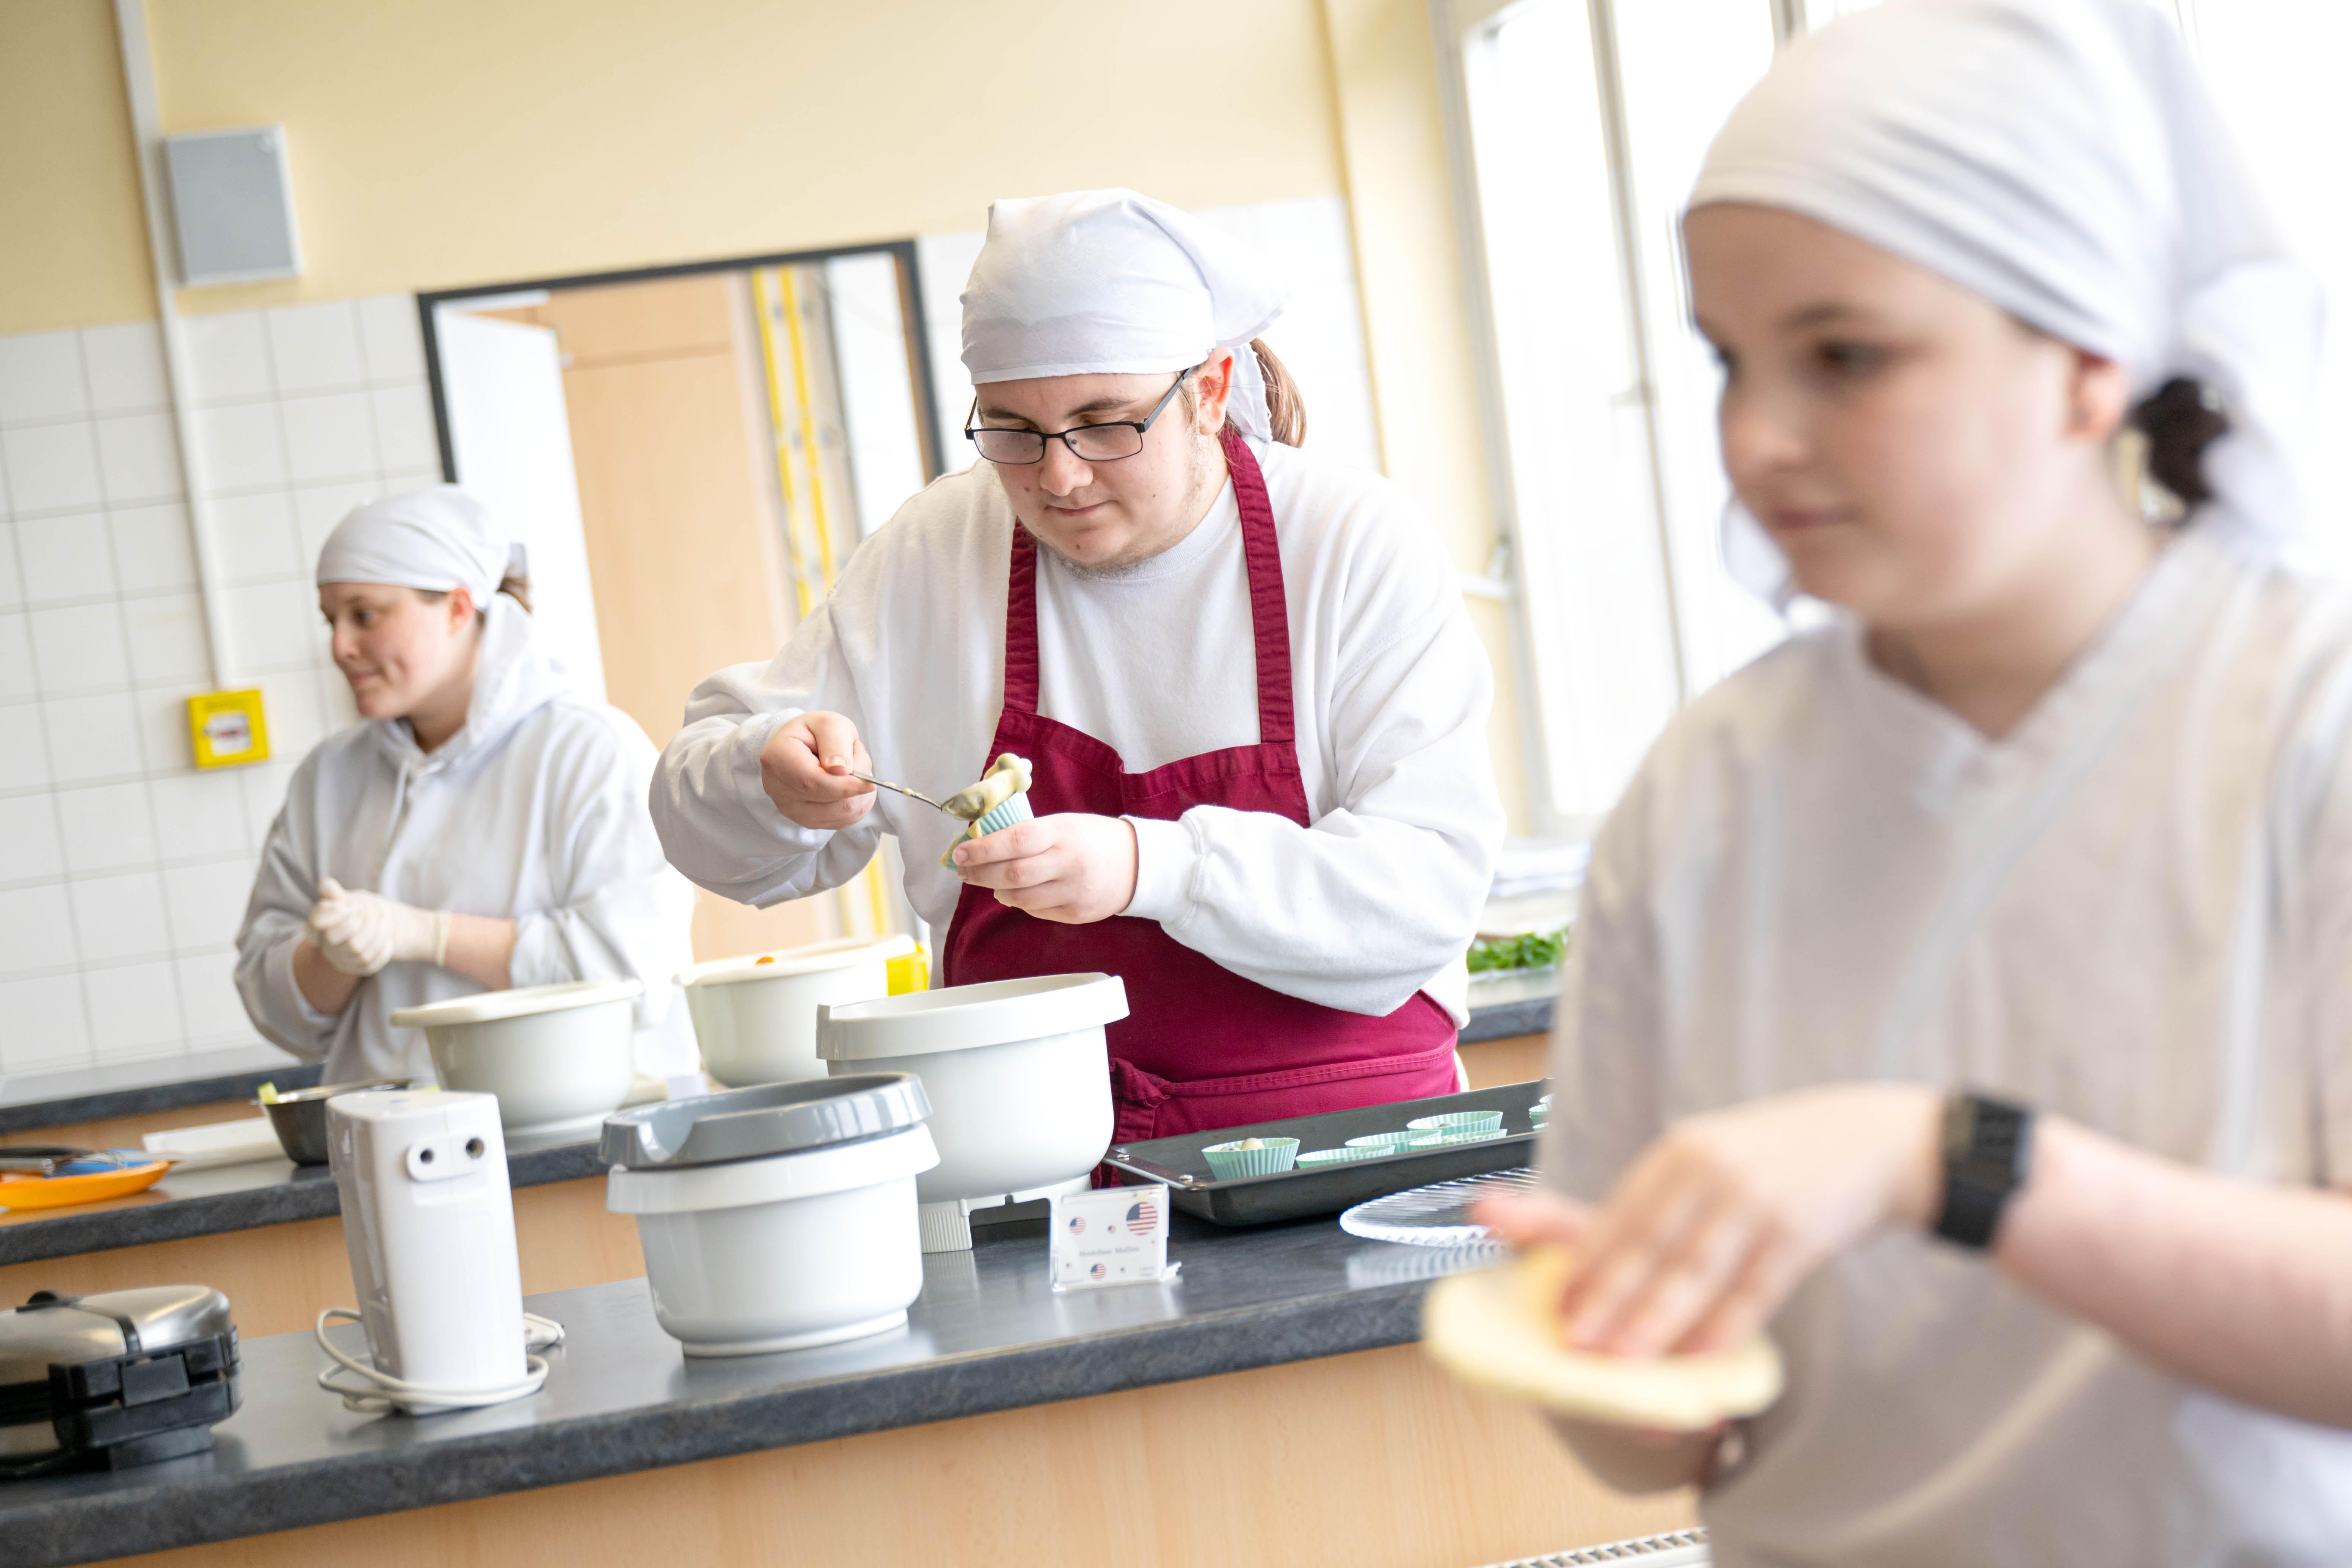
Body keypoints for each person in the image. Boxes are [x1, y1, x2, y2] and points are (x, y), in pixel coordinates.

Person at [1478, 1, 2352, 1561]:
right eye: (1729, 361)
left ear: (2087, 356)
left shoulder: (2303, 719)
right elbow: (1648, 1437)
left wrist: (1945, 1157)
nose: (1757, 438)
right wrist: (1620, 1353)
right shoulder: (1706, 793)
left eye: (1846, 356)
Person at [652, 190, 1504, 1142]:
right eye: (1013, 430)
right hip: (1034, 1166)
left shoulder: (1348, 543)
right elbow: (705, 830)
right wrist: (764, 774)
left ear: (1210, 390)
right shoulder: (939, 550)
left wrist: (1155, 865)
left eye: (1106, 424)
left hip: (1347, 1155)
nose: (1058, 477)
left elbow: (1423, 889)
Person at [235, 486, 696, 1086]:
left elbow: (629, 975)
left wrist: (428, 934)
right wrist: (333, 957)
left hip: (576, 1133)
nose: (339, 646)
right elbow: (275, 1010)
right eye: (332, 621)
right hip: (389, 1141)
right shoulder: (328, 779)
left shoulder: (589, 750)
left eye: (364, 614)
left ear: (457, 608)